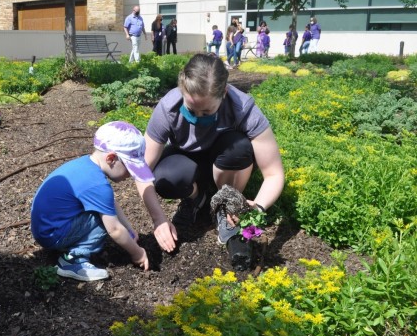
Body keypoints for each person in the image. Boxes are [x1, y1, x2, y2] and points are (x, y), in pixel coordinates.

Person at [143, 53, 284, 248]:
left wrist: (258, 208)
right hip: (188, 161)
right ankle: (196, 198)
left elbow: (274, 173)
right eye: (191, 111)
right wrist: (158, 219)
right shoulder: (168, 107)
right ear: (182, 89)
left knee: (240, 148)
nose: (197, 118)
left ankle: (226, 204)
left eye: (206, 112)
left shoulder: (243, 109)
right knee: (167, 177)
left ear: (224, 93)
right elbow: (141, 170)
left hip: (226, 161)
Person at [31, 121, 152, 281]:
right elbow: (114, 230)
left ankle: (72, 244)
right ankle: (73, 260)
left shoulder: (85, 165)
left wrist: (129, 229)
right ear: (111, 158)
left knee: (105, 212)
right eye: (129, 169)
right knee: (104, 221)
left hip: (46, 227)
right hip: (52, 234)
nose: (129, 175)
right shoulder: (98, 185)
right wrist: (138, 253)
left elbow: (110, 204)